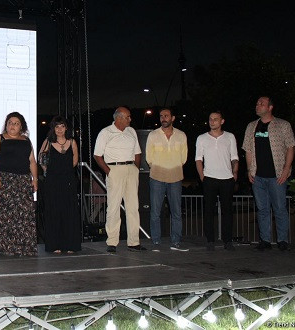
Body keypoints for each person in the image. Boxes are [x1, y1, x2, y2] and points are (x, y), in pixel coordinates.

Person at [242, 96, 295, 251]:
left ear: (270, 107)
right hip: (258, 176)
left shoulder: (283, 125)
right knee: (262, 209)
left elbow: (291, 147)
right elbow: (248, 150)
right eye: (257, 103)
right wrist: (249, 170)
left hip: (277, 176)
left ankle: (282, 240)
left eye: (261, 104)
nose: (257, 105)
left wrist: (286, 169)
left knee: (280, 209)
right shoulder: (251, 126)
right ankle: (265, 240)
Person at [93, 107, 146, 253]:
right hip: (114, 169)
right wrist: (109, 172)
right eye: (127, 117)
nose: (130, 119)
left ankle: (134, 242)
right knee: (114, 206)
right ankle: (112, 242)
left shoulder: (131, 131)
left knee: (133, 207)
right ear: (119, 118)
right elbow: (97, 155)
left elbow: (137, 152)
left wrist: (135, 168)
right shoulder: (106, 132)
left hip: (131, 169)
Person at [0, 112, 39, 256]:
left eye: (16, 123)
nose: (12, 126)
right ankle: (6, 247)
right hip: (5, 181)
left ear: (21, 126)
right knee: (5, 215)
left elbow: (32, 161)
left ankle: (24, 247)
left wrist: (35, 179)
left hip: (23, 182)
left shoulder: (26, 140)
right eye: (10, 122)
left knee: (24, 215)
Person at [145, 108, 188, 251]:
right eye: (161, 116)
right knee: (155, 212)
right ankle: (156, 241)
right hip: (157, 177)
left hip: (175, 177)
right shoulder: (153, 135)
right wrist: (160, 167)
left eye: (166, 116)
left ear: (172, 118)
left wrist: (172, 167)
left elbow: (184, 158)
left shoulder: (181, 135)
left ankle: (176, 241)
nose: (163, 118)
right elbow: (149, 157)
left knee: (176, 212)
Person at [195, 111, 239, 251]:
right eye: (210, 119)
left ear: (222, 121)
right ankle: (210, 240)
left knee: (227, 211)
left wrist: (235, 173)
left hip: (227, 178)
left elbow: (234, 157)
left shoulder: (230, 137)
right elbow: (198, 159)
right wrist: (202, 176)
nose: (212, 121)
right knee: (208, 211)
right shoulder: (202, 138)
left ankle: (228, 240)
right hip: (209, 178)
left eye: (215, 119)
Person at [38, 116, 81, 253]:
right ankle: (54, 245)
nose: (60, 129)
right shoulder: (48, 142)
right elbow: (40, 158)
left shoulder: (72, 142)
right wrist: (47, 171)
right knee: (54, 211)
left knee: (69, 211)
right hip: (52, 181)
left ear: (66, 128)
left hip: (68, 180)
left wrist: (65, 171)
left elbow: (75, 160)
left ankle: (70, 245)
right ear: (53, 128)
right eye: (57, 126)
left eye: (62, 126)